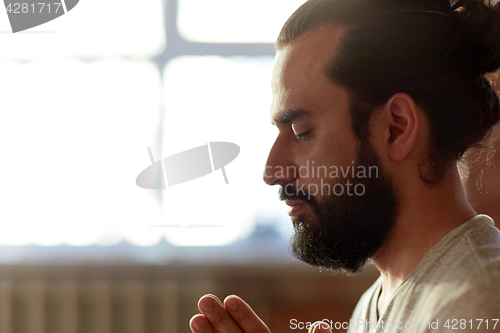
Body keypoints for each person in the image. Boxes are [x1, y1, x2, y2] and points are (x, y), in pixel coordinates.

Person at [189, 0, 500, 332]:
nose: (272, 171)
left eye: (301, 132)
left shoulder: (475, 304)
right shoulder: (376, 302)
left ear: (396, 128)